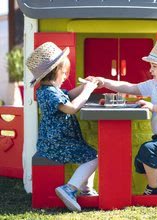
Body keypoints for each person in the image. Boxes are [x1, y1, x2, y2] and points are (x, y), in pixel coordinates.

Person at [88, 39, 157, 195]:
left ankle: (155, 188)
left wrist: (152, 106)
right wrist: (104, 82)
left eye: (154, 66)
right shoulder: (156, 83)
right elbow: (131, 87)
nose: (151, 70)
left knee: (147, 150)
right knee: (141, 159)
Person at [26, 42, 99, 211]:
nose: (66, 76)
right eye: (64, 72)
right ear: (56, 71)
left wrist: (86, 85)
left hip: (59, 140)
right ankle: (70, 188)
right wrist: (88, 92)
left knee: (91, 154)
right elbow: (71, 108)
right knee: (93, 157)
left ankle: (86, 190)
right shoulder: (49, 93)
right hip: (56, 143)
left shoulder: (52, 90)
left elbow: (70, 95)